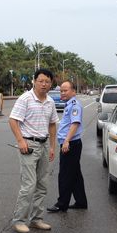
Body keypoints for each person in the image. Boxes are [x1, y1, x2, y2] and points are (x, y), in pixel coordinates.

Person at [9, 69, 59, 233]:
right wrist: (21, 141)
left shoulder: (50, 101)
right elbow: (13, 120)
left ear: (51, 83)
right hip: (29, 145)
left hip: (44, 145)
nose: (44, 84)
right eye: (41, 81)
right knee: (29, 185)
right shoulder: (25, 99)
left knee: (42, 184)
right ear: (34, 81)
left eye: (47, 81)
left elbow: (52, 124)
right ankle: (19, 220)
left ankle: (37, 219)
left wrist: (52, 146)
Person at [47, 81, 88, 213]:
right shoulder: (69, 104)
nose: (62, 93)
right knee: (75, 174)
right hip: (72, 143)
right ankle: (81, 201)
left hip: (70, 144)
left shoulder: (75, 105)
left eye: (65, 90)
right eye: (61, 91)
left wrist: (66, 141)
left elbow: (75, 124)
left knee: (65, 175)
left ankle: (62, 203)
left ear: (73, 91)